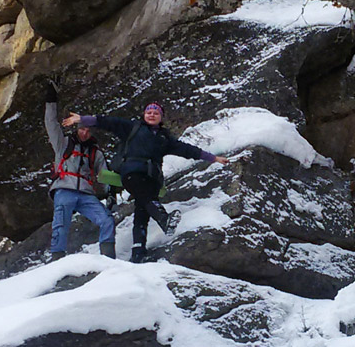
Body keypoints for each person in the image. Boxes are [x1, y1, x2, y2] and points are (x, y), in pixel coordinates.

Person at [62, 102, 229, 263]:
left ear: (161, 117)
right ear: (144, 114)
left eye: (156, 113)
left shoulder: (164, 138)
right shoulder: (133, 127)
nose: (152, 115)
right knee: (146, 199)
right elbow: (108, 122)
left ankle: (138, 253)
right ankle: (164, 220)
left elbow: (187, 150)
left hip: (152, 178)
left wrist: (213, 158)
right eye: (149, 112)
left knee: (142, 214)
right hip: (132, 173)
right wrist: (82, 119)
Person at [43, 82, 116, 259]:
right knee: (60, 224)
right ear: (77, 128)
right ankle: (57, 259)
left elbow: (105, 174)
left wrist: (111, 192)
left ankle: (108, 260)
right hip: (64, 190)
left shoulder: (95, 151)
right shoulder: (64, 144)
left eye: (88, 130)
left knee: (107, 220)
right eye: (82, 128)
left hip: (85, 194)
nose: (85, 133)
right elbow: (51, 124)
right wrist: (51, 101)